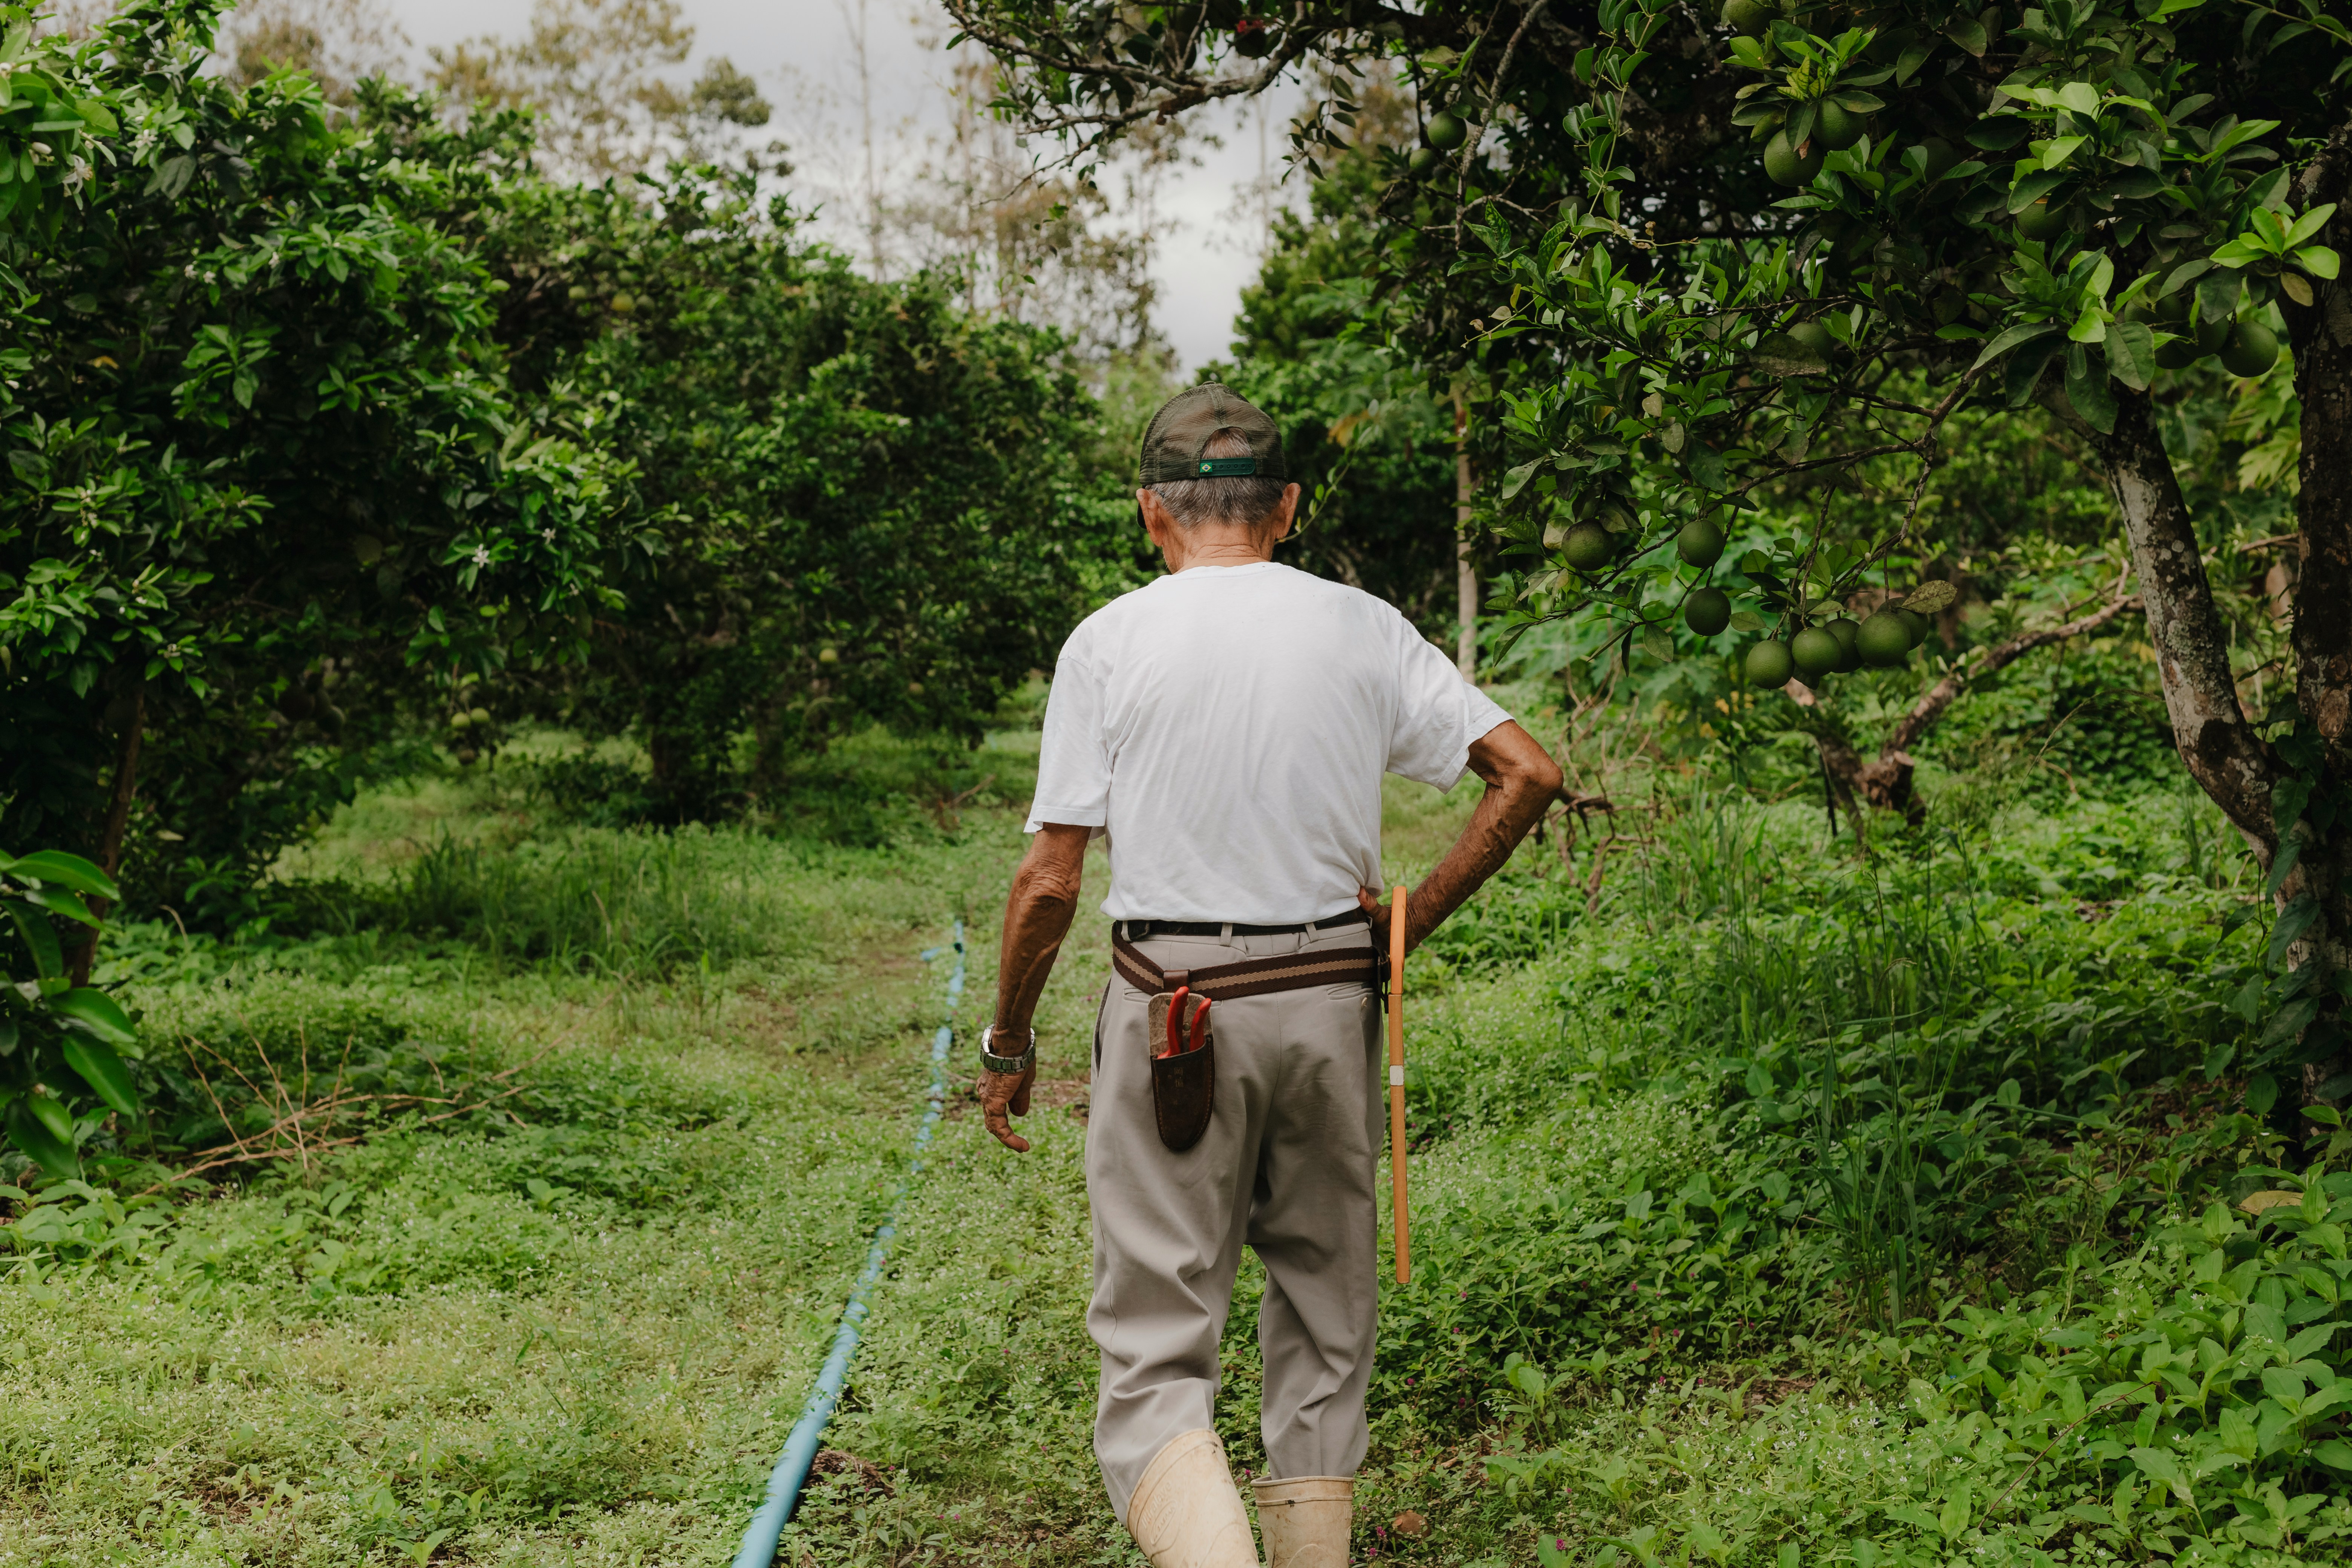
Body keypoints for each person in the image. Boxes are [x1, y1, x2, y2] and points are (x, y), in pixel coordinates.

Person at [977, 383, 1561, 1568]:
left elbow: (1048, 882)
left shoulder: (1112, 639)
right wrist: (1408, 920)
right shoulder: (1364, 626)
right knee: (1323, 1313)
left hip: (1173, 1009)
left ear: (1153, 514)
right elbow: (1528, 772)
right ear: (1284, 507)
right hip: (1332, 1001)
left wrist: (1009, 1044)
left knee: (1156, 1332)